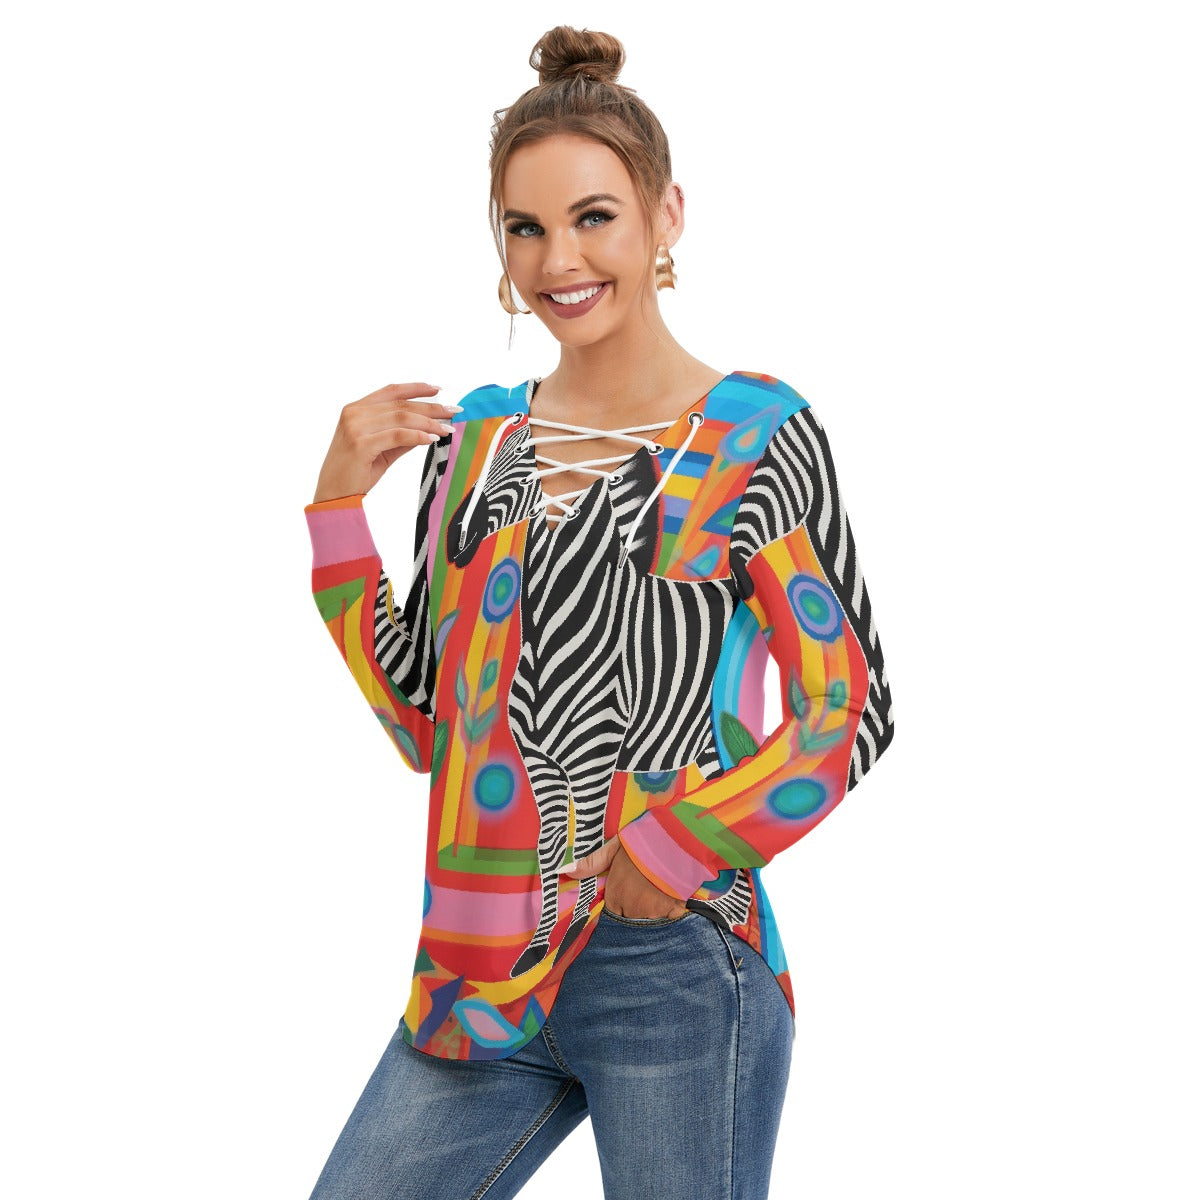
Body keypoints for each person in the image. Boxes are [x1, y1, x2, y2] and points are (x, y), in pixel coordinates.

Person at [302, 24, 895, 1200]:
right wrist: (335, 516)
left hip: (669, 967)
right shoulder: (475, 446)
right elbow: (427, 725)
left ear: (666, 215)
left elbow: (849, 713)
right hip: (474, 969)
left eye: (593, 217)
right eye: (525, 227)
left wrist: (672, 854)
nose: (558, 259)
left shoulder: (754, 437)